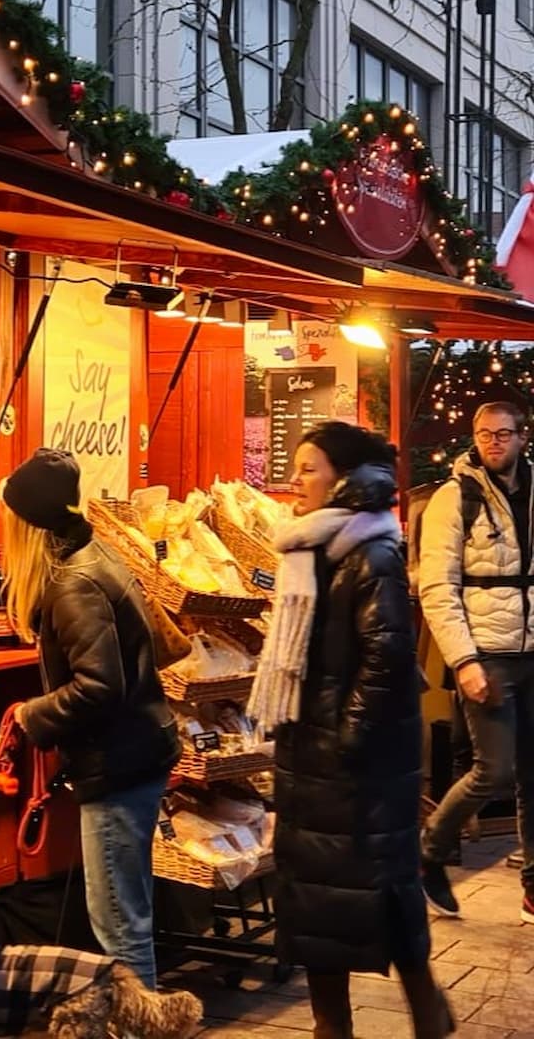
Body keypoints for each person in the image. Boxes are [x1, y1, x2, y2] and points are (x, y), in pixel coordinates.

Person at [257, 422, 451, 1039]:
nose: (296, 477)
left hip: (352, 770)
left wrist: (347, 741)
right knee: (319, 904)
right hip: (315, 760)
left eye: (308, 466)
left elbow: (388, 655)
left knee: (372, 890)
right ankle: (335, 1025)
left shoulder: (371, 551)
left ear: (342, 480)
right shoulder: (310, 549)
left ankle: (415, 1008)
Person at [1, 447, 181, 990]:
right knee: (128, 912)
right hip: (138, 752)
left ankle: (138, 1026)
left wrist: (32, 714)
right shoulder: (93, 554)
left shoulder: (73, 583)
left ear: (26, 522)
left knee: (120, 924)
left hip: (118, 764)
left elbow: (99, 686)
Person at [419, 400, 534, 923]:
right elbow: (438, 588)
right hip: (487, 652)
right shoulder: (454, 498)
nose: (494, 442)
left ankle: (533, 887)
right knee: (494, 771)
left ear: (522, 436)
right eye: (485, 434)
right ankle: (429, 850)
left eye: (504, 434)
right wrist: (464, 660)